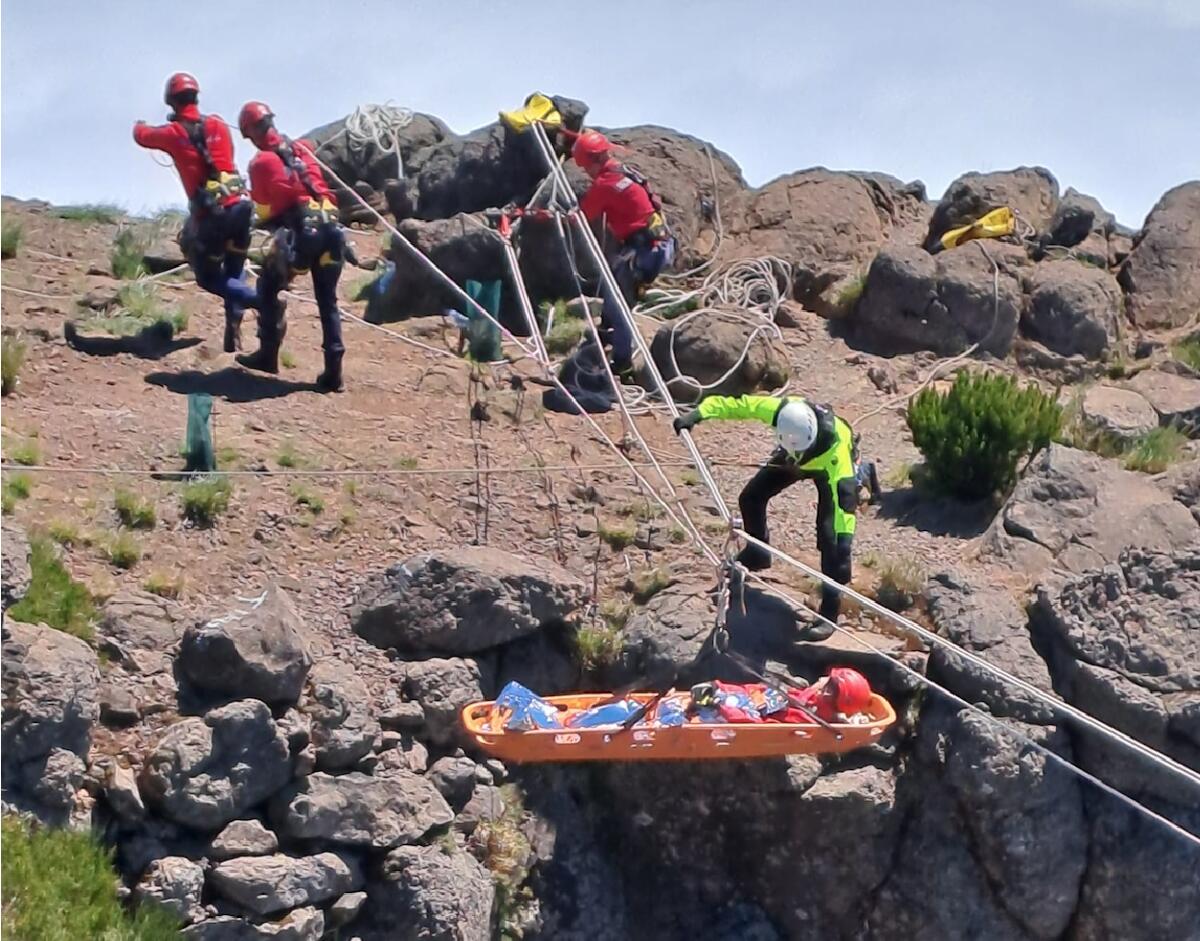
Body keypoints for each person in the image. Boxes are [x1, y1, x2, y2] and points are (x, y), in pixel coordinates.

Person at [673, 394, 858, 624]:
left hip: (824, 465)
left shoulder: (837, 455)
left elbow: (845, 507)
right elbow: (738, 405)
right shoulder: (781, 410)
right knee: (751, 498)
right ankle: (758, 552)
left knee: (830, 537)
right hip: (794, 454)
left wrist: (844, 547)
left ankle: (830, 613)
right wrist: (699, 414)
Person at [133, 72, 256, 353]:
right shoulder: (218, 125)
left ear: (171, 101)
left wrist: (139, 124)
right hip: (241, 206)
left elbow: (141, 136)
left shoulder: (173, 133)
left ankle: (263, 302)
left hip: (213, 216)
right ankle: (233, 335)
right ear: (196, 97)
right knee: (235, 273)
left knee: (208, 276)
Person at [236, 101, 345, 391]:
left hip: (305, 236)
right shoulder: (303, 148)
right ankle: (334, 373)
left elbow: (264, 209)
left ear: (250, 134)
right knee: (328, 301)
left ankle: (268, 354)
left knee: (268, 286)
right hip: (334, 230)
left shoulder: (260, 163)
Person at [572, 130, 676, 377]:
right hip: (659, 244)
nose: (587, 173)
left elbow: (580, 216)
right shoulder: (624, 171)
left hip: (645, 251)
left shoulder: (605, 185)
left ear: (595, 161)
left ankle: (623, 364)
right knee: (613, 292)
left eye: (587, 167)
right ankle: (606, 335)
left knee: (619, 305)